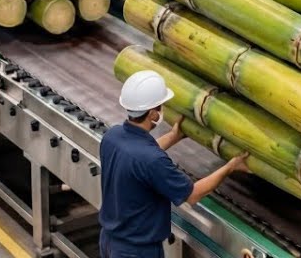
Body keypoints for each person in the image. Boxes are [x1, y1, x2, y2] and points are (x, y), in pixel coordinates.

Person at [100, 70, 249, 258]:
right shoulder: (152, 160)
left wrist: (174, 136)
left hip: (109, 241)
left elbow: (140, 155)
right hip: (137, 252)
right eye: (161, 107)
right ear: (153, 113)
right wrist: (230, 167)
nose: (163, 110)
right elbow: (192, 195)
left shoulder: (112, 136)